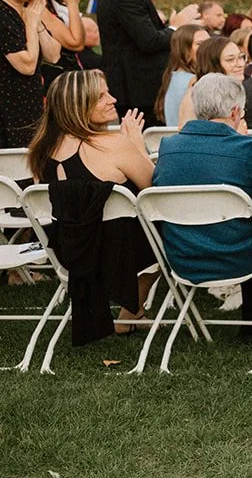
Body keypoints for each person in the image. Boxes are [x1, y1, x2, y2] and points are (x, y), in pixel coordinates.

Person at [28, 69, 156, 340]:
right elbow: (155, 193)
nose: (113, 99)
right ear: (78, 105)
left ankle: (133, 312)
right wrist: (137, 144)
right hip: (120, 254)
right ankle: (131, 311)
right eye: (100, 97)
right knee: (168, 226)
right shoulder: (115, 145)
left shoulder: (40, 153)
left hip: (69, 253)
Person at [149, 74, 252, 326]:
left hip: (182, 255)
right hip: (240, 258)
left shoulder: (169, 147)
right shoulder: (250, 150)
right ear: (235, 111)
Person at [97, 0, 201, 119]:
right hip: (137, 91)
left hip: (137, 88)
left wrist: (169, 26)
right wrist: (175, 27)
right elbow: (149, 41)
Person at [0, 0, 61, 147]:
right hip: (8, 113)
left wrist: (37, 21)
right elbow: (27, 65)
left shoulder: (28, 11)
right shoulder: (3, 15)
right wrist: (32, 23)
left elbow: (54, 55)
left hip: (30, 108)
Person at [35, 0, 86, 83]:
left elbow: (82, 40)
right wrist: (73, 4)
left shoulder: (55, 5)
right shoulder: (36, 6)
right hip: (52, 79)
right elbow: (75, 43)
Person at [175, 36, 247, 126]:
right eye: (230, 60)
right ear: (213, 64)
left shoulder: (235, 90)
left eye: (241, 57)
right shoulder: (194, 97)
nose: (240, 64)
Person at [156, 24, 207, 127]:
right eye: (200, 44)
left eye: (209, 43)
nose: (207, 48)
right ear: (185, 50)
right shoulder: (193, 81)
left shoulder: (172, 77)